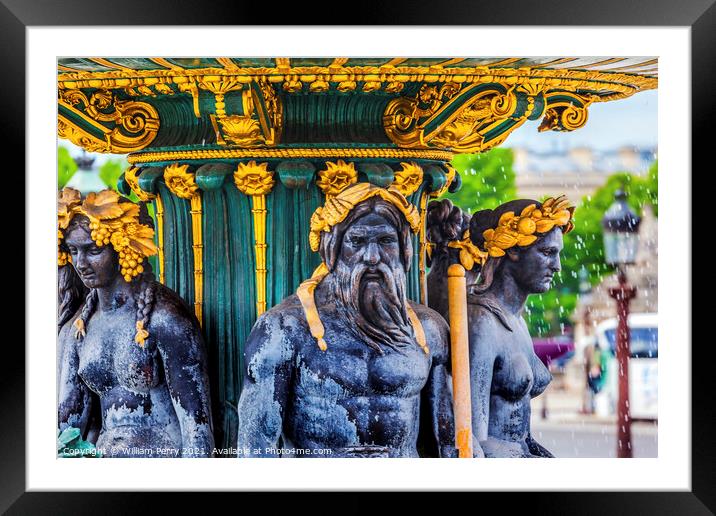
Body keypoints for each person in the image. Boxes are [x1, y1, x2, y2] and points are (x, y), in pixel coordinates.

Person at [237, 183, 455, 458]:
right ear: (332, 248)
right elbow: (255, 448)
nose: (373, 257)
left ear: (404, 250)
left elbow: (447, 441)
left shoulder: (429, 330)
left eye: (386, 241)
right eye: (358, 241)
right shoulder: (284, 330)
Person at [57, 188, 214, 457]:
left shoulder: (165, 319)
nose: (80, 263)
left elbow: (197, 429)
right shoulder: (80, 327)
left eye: (93, 250)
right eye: (73, 251)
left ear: (123, 249)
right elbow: (67, 428)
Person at [428, 196, 574, 457]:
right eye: (548, 253)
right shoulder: (480, 322)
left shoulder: (515, 320)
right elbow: (471, 440)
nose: (557, 266)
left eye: (557, 254)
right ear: (514, 250)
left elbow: (521, 434)